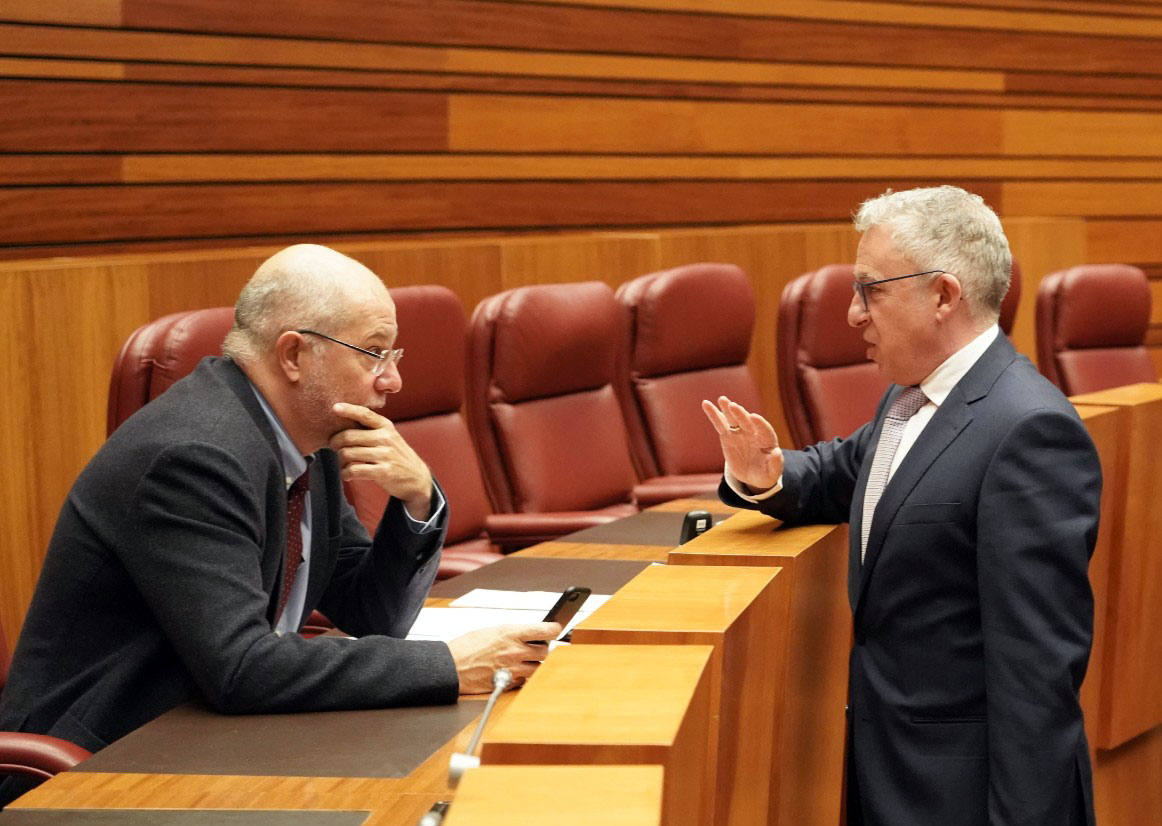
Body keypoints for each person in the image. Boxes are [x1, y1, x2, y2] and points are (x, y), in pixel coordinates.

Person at [0, 244, 557, 807]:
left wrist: (415, 501)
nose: (392, 382)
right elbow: (241, 666)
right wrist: (449, 664)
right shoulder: (194, 457)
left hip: (219, 739)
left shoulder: (303, 445)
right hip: (104, 766)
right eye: (373, 353)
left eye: (393, 355)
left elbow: (372, 614)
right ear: (293, 355)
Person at [704, 186, 1101, 826]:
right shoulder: (915, 396)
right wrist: (766, 475)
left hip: (962, 794)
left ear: (943, 295)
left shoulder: (1027, 432)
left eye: (871, 290)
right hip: (890, 773)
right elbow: (849, 470)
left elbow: (1036, 680)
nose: (854, 314)